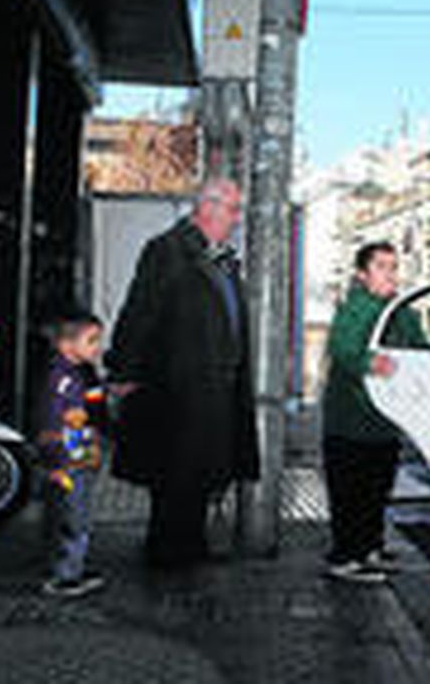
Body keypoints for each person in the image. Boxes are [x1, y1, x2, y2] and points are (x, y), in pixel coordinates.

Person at [108, 178, 259, 570]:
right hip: (178, 385)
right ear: (207, 208)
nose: (237, 218)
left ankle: (191, 546)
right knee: (175, 473)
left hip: (214, 385)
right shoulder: (168, 251)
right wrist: (123, 369)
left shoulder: (222, 258)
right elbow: (140, 312)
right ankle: (166, 556)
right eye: (232, 209)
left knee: (203, 473)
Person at [321, 241, 425, 583]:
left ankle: (369, 549)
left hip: (383, 423)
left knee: (377, 490)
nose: (391, 273)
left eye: (394, 266)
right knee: (351, 492)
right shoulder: (356, 307)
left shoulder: (402, 312)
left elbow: (421, 350)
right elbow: (342, 348)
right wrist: (370, 362)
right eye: (382, 266)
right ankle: (345, 558)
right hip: (350, 421)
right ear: (363, 275)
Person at [37, 310, 108, 598]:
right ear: (67, 346)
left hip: (77, 455)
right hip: (69, 458)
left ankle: (70, 566)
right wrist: (60, 459)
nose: (98, 348)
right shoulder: (63, 381)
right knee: (72, 517)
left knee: (70, 513)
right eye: (91, 341)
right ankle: (64, 576)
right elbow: (56, 422)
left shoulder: (78, 373)